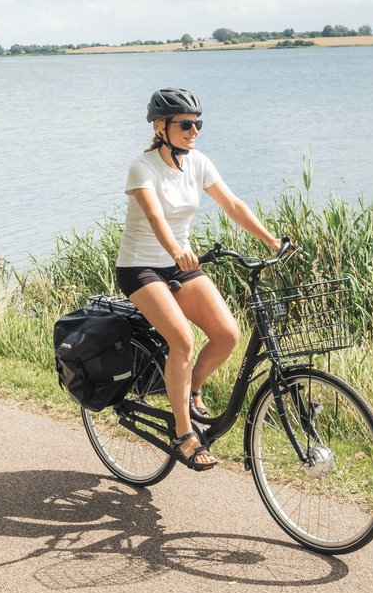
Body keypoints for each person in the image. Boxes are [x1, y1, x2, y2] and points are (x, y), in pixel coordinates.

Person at [116, 87, 284, 471]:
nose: (195, 132)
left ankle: (189, 389)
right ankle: (183, 433)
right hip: (141, 266)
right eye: (187, 125)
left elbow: (233, 204)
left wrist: (271, 239)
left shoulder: (198, 162)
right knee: (183, 339)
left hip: (181, 263)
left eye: (198, 124)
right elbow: (156, 217)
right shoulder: (142, 168)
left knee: (227, 334)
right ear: (161, 127)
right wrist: (175, 249)